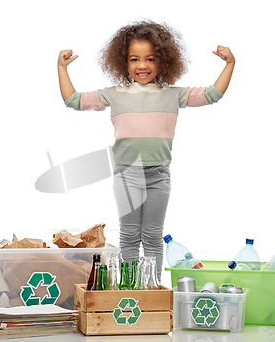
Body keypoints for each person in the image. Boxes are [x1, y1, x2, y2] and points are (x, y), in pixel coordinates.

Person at [57, 20, 235, 281]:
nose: (142, 66)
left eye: (150, 59)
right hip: (127, 175)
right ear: (124, 62)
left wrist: (230, 64)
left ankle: (152, 289)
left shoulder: (173, 94)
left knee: (152, 235)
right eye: (134, 59)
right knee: (129, 235)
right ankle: (131, 288)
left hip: (159, 175)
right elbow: (73, 100)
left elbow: (212, 95)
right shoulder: (115, 94)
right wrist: (61, 68)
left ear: (162, 61)